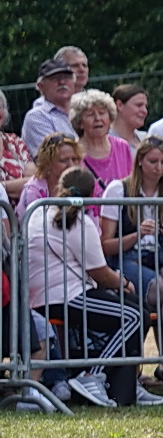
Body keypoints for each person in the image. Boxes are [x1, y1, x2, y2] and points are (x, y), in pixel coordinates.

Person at [25, 166, 146, 407]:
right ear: (92, 194)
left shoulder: (38, 212)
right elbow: (101, 274)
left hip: (42, 297)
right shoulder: (81, 222)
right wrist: (125, 282)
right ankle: (92, 376)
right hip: (66, 296)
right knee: (135, 316)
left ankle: (128, 385)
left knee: (134, 308)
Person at [97, 137, 163, 400]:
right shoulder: (119, 190)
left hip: (162, 256)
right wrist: (136, 235)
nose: (158, 168)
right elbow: (105, 245)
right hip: (127, 258)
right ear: (140, 161)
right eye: (153, 161)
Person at [71, 89, 134, 188]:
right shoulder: (72, 152)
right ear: (80, 122)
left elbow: (132, 186)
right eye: (90, 114)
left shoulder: (122, 146)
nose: (97, 118)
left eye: (102, 113)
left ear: (110, 118)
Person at [17, 133, 83, 217]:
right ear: (48, 163)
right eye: (63, 160)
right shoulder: (33, 190)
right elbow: (32, 223)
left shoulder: (83, 183)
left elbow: (93, 221)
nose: (71, 165)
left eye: (74, 159)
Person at [22, 57, 77, 154]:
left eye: (66, 77)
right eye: (54, 78)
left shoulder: (84, 110)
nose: (62, 82)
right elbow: (54, 158)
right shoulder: (37, 117)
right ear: (40, 86)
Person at [0, 92, 32, 204]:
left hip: (22, 211)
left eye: (0, 107)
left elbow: (33, 182)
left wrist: (2, 187)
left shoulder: (15, 141)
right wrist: (16, 186)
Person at [111, 84, 151, 149]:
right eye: (139, 105)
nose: (145, 111)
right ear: (120, 105)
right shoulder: (104, 142)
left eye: (146, 106)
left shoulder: (146, 140)